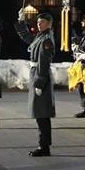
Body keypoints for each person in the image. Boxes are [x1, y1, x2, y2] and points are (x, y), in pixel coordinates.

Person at [15, 13, 57, 156]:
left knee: (42, 114)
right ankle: (43, 144)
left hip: (41, 77)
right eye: (38, 22)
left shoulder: (47, 39)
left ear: (49, 24)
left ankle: (44, 146)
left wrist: (39, 83)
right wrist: (21, 22)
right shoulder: (40, 36)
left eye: (42, 22)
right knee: (40, 113)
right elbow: (27, 37)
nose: (39, 24)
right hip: (37, 75)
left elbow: (44, 63)